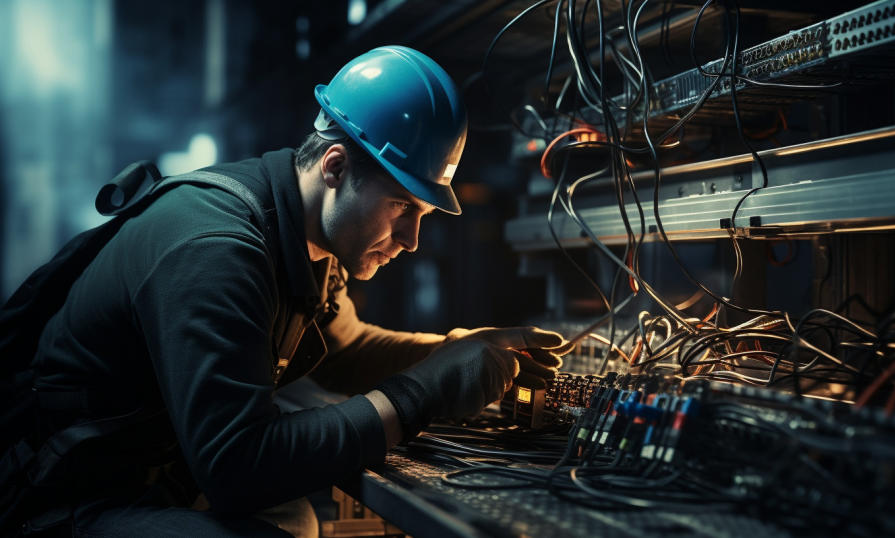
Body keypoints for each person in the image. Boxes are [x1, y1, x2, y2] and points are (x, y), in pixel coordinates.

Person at [16, 46, 564, 536]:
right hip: (68, 504)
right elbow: (237, 468)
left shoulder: (301, 235)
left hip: (152, 478)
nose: (412, 239)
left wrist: (456, 351)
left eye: (421, 214)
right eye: (400, 206)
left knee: (293, 518)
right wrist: (424, 392)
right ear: (335, 167)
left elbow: (345, 348)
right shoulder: (217, 251)